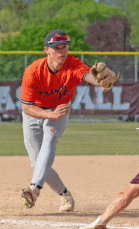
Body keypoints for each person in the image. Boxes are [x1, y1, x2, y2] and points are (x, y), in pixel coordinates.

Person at [20, 29, 118, 212]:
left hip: (60, 110)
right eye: (56, 48)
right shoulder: (33, 71)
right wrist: (50, 114)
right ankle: (66, 195)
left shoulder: (72, 64)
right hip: (35, 113)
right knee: (38, 163)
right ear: (46, 50)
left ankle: (34, 189)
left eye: (64, 47)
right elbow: (27, 107)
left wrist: (99, 81)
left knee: (50, 137)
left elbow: (87, 75)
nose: (61, 51)